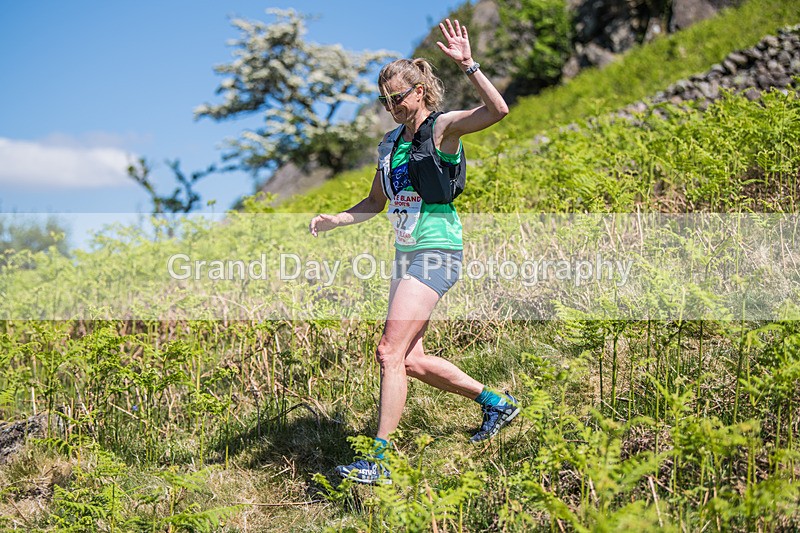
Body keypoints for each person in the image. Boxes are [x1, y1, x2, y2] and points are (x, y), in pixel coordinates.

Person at [309, 19, 517, 485]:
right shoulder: (388, 145)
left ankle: (378, 462)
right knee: (410, 359)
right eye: (385, 101)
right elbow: (374, 203)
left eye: (399, 97)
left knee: (387, 352)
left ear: (421, 91)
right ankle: (498, 404)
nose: (392, 107)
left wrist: (469, 65)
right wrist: (335, 219)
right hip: (406, 255)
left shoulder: (442, 129)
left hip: (438, 249)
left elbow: (498, 110)